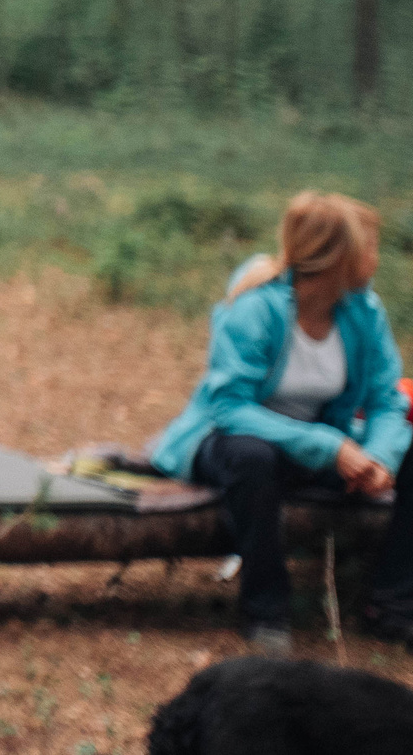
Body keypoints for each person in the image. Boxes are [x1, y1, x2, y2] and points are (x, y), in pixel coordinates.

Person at [147, 190, 413, 653]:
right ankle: (266, 611)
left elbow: (387, 399)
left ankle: (391, 604)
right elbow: (230, 407)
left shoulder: (363, 311)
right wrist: (330, 449)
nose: (377, 256)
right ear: (339, 256)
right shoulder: (257, 307)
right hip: (229, 440)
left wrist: (379, 456)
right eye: (369, 246)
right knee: (254, 455)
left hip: (321, 446)